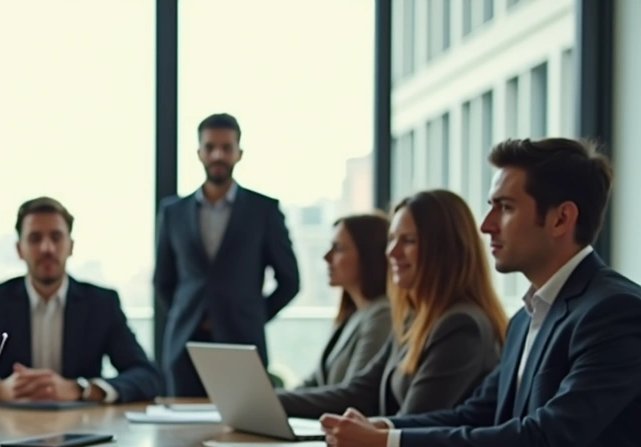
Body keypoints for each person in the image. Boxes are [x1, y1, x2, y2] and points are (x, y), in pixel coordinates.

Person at [320, 138, 641, 447]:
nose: (486, 224)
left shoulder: (614, 311)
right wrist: (382, 427)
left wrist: (385, 443)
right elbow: (477, 413)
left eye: (504, 207)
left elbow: (542, 441)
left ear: (561, 219)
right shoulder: (526, 318)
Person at [275, 189, 507, 418]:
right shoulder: (412, 319)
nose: (392, 252)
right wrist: (268, 400)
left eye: (409, 241)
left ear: (444, 250)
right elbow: (361, 393)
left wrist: (364, 434)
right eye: (392, 239)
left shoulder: (460, 324)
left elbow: (415, 422)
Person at [0, 197, 162, 404]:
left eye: (56, 237)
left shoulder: (101, 304)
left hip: (82, 429)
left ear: (71, 246)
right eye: (34, 238)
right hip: (3, 430)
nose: (46, 248)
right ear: (19, 249)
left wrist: (80, 389)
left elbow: (147, 376)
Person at [155, 112, 300, 397]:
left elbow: (290, 281)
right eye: (210, 147)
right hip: (184, 346)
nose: (218, 155)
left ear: (239, 153)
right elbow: (163, 280)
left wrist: (252, 315)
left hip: (242, 343)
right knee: (180, 424)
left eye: (226, 147)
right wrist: (187, 314)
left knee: (243, 420)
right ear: (199, 152)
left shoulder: (263, 210)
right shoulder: (173, 212)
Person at [296, 213, 392, 388]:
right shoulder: (352, 314)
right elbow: (315, 380)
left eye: (338, 248)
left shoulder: (382, 315)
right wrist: (271, 398)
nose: (326, 257)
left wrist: (277, 398)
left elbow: (353, 393)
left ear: (368, 255)